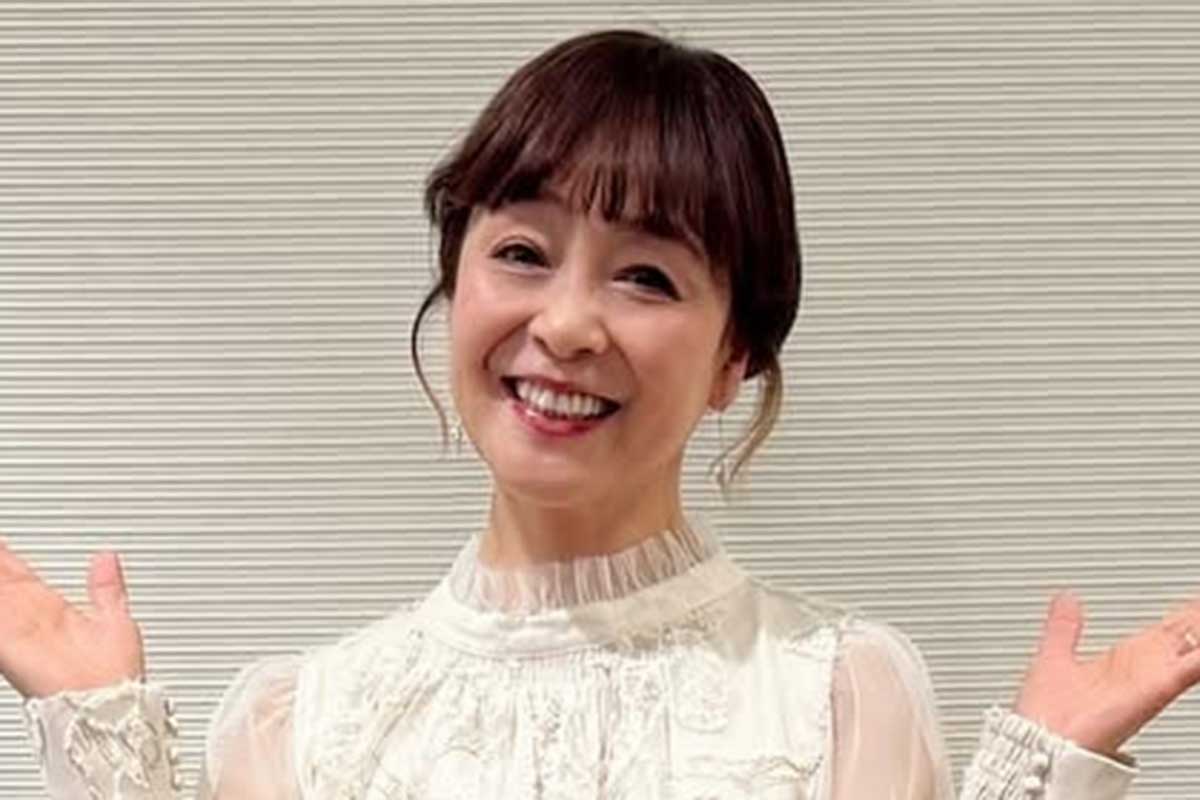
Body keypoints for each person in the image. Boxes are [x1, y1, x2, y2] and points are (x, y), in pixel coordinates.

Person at [3, 28, 1199, 800]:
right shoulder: (294, 722)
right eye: (523, 251)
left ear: (736, 355)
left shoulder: (837, 690)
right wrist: (99, 744)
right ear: (455, 285)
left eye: (647, 276)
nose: (568, 323)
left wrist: (1044, 775)